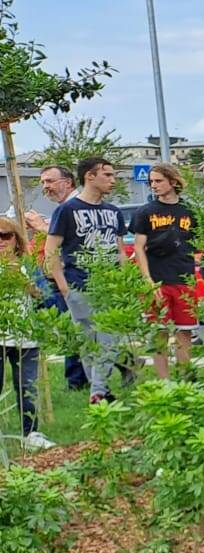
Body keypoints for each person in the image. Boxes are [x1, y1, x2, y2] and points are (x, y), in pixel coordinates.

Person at [44, 157, 132, 403]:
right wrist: (63, 287)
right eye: (108, 175)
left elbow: (120, 251)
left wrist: (124, 283)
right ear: (89, 177)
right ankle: (100, 392)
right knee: (88, 344)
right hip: (78, 284)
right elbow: (51, 250)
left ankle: (98, 392)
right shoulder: (67, 210)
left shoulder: (113, 212)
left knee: (109, 341)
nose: (113, 180)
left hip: (109, 286)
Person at [130, 164, 199, 380]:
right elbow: (138, 247)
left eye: (158, 181)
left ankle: (185, 378)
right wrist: (148, 280)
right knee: (159, 331)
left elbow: (200, 243)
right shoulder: (146, 212)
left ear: (173, 181)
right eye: (151, 181)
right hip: (157, 279)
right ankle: (164, 381)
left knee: (184, 330)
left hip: (183, 277)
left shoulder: (190, 212)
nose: (154, 185)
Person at [27, 165, 88, 391]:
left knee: (74, 328)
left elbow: (70, 241)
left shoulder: (73, 207)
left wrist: (42, 227)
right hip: (60, 278)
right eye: (43, 182)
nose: (46, 187)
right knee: (77, 328)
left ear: (68, 182)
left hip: (73, 278)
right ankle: (124, 364)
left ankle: (78, 381)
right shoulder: (65, 208)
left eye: (50, 181)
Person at [0, 217, 55, 451]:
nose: (2, 242)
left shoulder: (28, 265)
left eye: (6, 236)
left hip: (26, 335)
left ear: (16, 239)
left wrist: (24, 281)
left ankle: (31, 433)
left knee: (28, 386)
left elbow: (46, 297)